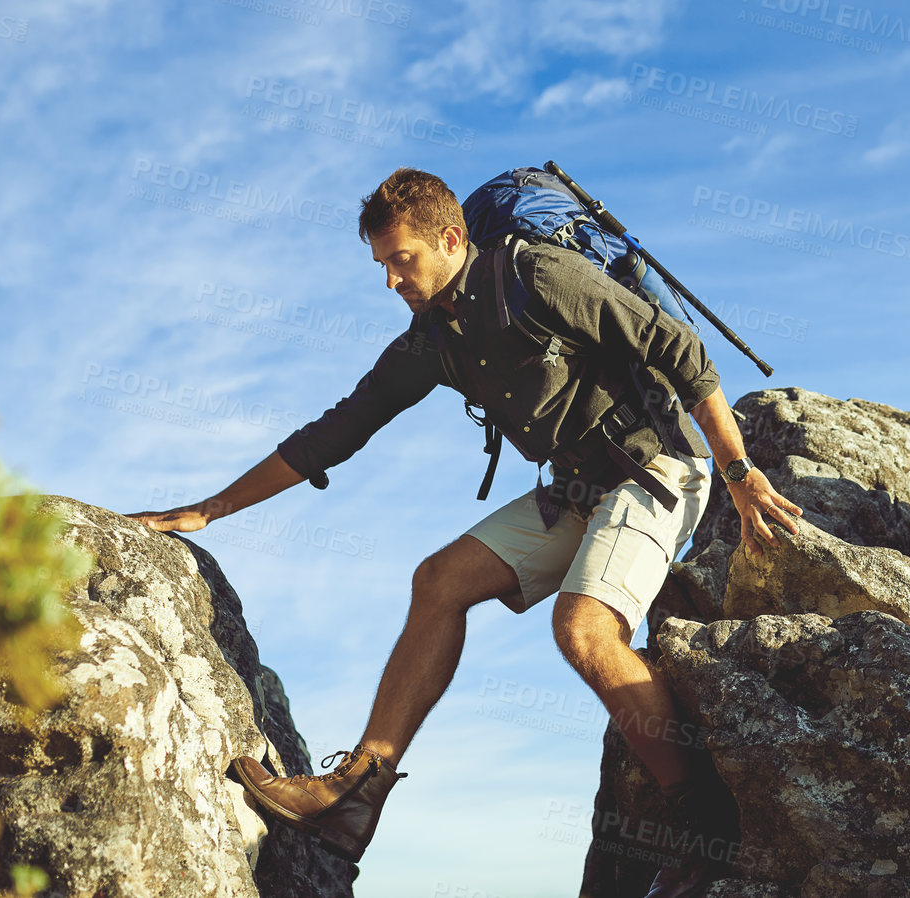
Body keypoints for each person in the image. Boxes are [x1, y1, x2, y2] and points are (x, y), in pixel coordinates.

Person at [128, 167, 801, 896]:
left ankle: (701, 826)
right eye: (382, 264)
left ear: (451, 239)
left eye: (401, 259)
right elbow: (337, 430)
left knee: (583, 630)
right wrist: (208, 510)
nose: (390, 280)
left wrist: (739, 473)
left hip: (659, 468)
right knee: (439, 581)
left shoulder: (538, 275)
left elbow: (680, 351)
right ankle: (355, 795)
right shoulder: (432, 340)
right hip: (578, 492)